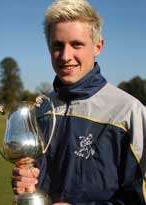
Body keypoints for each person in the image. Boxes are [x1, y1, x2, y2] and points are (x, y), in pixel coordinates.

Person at [12, 0, 146, 204]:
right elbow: (37, 178)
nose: (66, 56)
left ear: (98, 46)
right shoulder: (41, 109)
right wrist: (26, 181)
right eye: (58, 45)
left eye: (76, 44)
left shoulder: (129, 112)